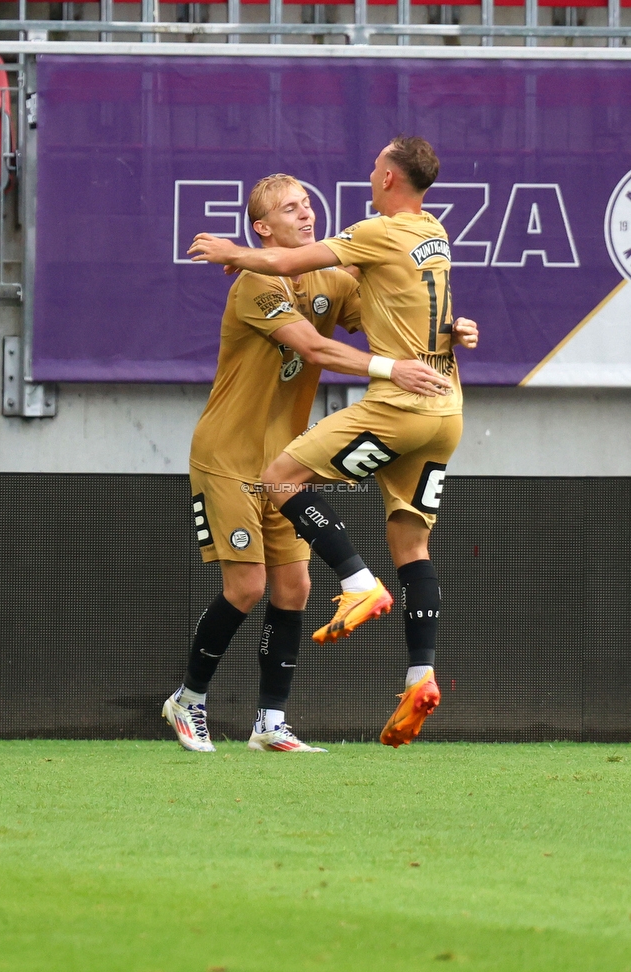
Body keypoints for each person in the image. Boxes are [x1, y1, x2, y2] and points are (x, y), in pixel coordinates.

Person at [187, 137, 479, 748]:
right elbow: (319, 349)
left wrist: (448, 331)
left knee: (293, 587)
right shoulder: (253, 284)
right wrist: (391, 368)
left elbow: (387, 317)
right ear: (263, 228)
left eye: (306, 204)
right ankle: (189, 701)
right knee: (247, 588)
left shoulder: (333, 278)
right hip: (228, 456)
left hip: (283, 454)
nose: (306, 213)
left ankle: (270, 724)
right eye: (291, 208)